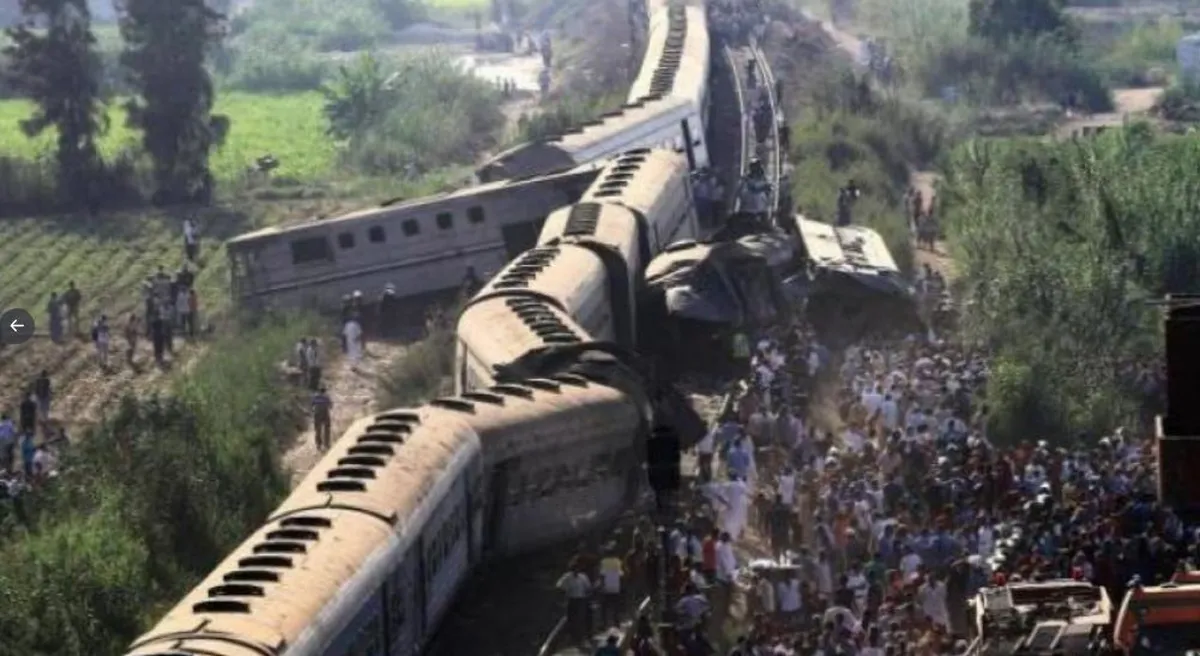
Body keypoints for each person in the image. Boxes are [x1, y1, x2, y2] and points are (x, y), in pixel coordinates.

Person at [312, 386, 333, 451]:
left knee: (318, 430)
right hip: (325, 414)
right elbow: (331, 406)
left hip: (317, 414)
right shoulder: (326, 397)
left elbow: (312, 405)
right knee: (327, 429)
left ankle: (318, 444)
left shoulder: (315, 397)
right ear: (324, 391)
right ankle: (326, 444)